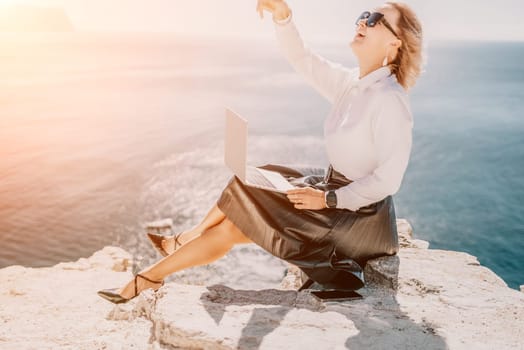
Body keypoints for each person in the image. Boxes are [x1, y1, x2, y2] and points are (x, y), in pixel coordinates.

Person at [98, 0, 424, 304]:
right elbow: (303, 60)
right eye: (364, 15)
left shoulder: (390, 100)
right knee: (235, 216)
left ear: (395, 43)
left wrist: (328, 200)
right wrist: (283, 17)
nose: (363, 21)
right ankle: (148, 278)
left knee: (244, 186)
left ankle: (180, 242)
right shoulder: (352, 83)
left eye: (376, 19)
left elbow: (388, 180)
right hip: (333, 194)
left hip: (358, 220)